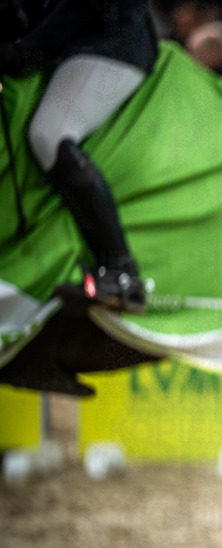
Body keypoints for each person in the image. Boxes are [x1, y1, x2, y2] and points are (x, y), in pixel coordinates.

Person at [4, 0, 156, 313]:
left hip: (108, 41)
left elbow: (82, 7)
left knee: (50, 133)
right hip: (68, 44)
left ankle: (120, 269)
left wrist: (25, 50)